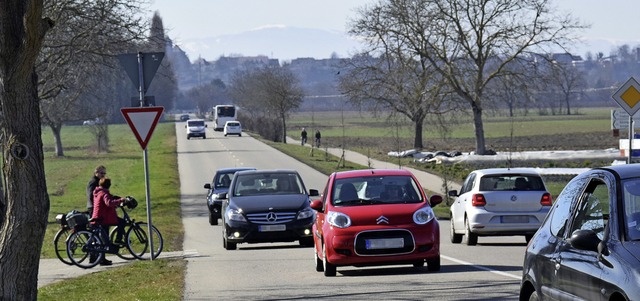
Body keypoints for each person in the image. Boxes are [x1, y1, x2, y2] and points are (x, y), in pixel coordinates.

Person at [92, 177, 126, 266]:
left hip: (99, 216)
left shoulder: (97, 191)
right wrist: (120, 200)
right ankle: (118, 240)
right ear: (108, 185)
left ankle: (102, 260)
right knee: (122, 222)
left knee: (103, 239)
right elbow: (109, 203)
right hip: (104, 218)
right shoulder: (104, 192)